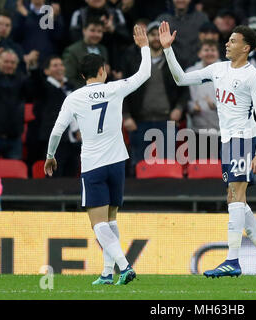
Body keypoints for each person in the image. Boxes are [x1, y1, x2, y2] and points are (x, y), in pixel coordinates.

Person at [159, 21, 256, 282]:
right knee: (235, 200)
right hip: (227, 142)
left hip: (243, 140)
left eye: (233, 41)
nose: (227, 44)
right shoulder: (217, 69)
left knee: (236, 197)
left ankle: (232, 260)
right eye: (227, 40)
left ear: (246, 47)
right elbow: (181, 79)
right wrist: (168, 50)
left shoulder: (253, 77)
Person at [44, 25, 151, 285]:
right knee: (111, 218)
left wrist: (50, 155)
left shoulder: (74, 97)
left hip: (93, 165)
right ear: (102, 71)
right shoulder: (116, 88)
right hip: (117, 163)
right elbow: (144, 73)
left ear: (82, 75)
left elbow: (58, 130)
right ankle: (106, 273)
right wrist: (145, 47)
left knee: (97, 223)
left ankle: (125, 267)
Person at [122, 21, 189, 174]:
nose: (156, 38)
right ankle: (138, 196)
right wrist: (126, 116)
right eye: (152, 35)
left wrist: (179, 108)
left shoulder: (174, 60)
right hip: (139, 121)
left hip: (167, 120)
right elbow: (123, 88)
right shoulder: (134, 61)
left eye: (159, 35)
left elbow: (185, 89)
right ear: (147, 37)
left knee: (167, 164)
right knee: (139, 164)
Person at [26, 55, 80, 177]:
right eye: (55, 65)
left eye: (61, 65)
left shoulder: (70, 87)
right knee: (54, 177)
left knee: (71, 176)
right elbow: (36, 81)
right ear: (46, 71)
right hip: (53, 139)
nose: (59, 68)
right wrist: (34, 68)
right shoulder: (44, 87)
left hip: (72, 140)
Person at [185, 39, 221, 160]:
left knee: (219, 170)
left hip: (221, 131)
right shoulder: (190, 72)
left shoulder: (227, 72)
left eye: (213, 50)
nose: (209, 53)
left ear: (218, 53)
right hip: (197, 129)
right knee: (198, 170)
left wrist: (217, 106)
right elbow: (185, 97)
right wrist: (191, 107)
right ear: (200, 53)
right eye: (206, 50)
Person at [156, 0, 209, 69]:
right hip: (168, 67)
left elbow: (209, 42)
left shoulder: (202, 18)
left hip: (197, 66)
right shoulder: (162, 19)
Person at [62, 18, 110, 90]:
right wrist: (88, 90)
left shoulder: (103, 49)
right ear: (84, 31)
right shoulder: (72, 51)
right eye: (92, 30)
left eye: (99, 31)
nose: (96, 34)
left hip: (102, 93)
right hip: (82, 95)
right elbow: (69, 78)